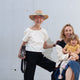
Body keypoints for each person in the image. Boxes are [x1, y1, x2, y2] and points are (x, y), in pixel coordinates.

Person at [18, 10, 56, 80]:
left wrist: (54, 45)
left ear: (43, 19)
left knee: (55, 67)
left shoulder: (44, 32)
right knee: (28, 77)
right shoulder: (28, 30)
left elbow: (44, 46)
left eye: (41, 18)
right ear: (34, 19)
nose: (39, 20)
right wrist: (20, 52)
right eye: (37, 18)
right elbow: (23, 43)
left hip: (39, 55)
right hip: (30, 55)